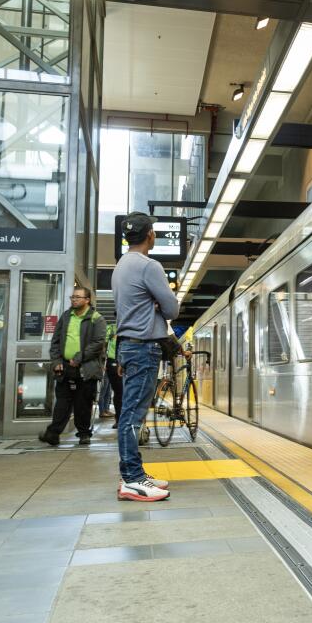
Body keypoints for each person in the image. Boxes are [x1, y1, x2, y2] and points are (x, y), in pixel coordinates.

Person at [112, 212, 178, 501]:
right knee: (131, 415)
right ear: (151, 235)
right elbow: (172, 310)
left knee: (130, 412)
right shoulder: (149, 266)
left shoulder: (121, 265)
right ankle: (132, 479)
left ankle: (135, 472)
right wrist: (158, 304)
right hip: (143, 347)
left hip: (129, 345)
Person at [39, 286, 107, 447]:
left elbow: (98, 343)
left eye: (78, 297)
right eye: (72, 297)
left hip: (86, 368)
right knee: (62, 402)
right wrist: (56, 362)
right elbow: (55, 341)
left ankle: (84, 434)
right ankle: (53, 434)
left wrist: (79, 358)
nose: (74, 299)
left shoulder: (96, 319)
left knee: (83, 403)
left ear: (87, 300)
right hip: (65, 366)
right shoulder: (66, 316)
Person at [102, 321, 123, 427]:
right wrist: (102, 361)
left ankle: (124, 419)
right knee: (119, 392)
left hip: (128, 361)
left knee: (124, 393)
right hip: (113, 362)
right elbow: (104, 345)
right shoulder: (110, 328)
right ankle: (119, 419)